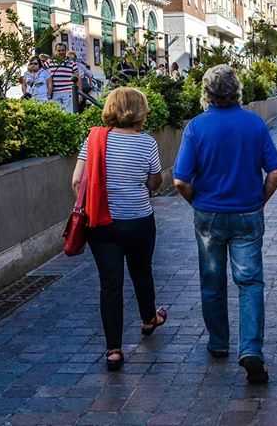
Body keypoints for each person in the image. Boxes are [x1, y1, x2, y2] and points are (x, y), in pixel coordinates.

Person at [173, 65, 277, 383]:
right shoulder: (254, 124)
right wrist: (260, 200)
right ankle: (250, 348)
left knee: (212, 279)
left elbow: (180, 180)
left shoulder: (196, 127)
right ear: (238, 90)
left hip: (209, 213)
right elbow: (276, 173)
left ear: (206, 92)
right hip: (247, 212)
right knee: (249, 283)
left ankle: (219, 342)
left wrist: (197, 201)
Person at [72, 87, 166, 371]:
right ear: (141, 111)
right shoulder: (147, 143)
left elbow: (77, 181)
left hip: (101, 222)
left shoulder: (94, 139)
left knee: (110, 283)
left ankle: (113, 349)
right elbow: (155, 182)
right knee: (141, 270)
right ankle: (149, 318)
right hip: (138, 220)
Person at [48, 43, 78, 113]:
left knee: (69, 112)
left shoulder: (72, 63)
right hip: (55, 92)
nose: (61, 52)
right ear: (55, 51)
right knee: (56, 114)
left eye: (63, 50)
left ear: (66, 51)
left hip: (68, 91)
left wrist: (79, 93)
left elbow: (77, 78)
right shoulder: (49, 62)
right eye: (59, 50)